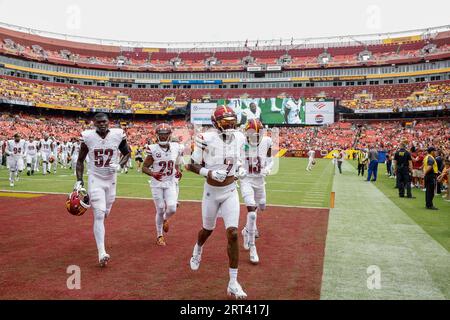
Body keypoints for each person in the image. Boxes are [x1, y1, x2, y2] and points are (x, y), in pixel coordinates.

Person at [186, 105, 248, 299]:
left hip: (230, 190)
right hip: (212, 191)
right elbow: (190, 165)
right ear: (216, 123)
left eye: (232, 122)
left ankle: (233, 282)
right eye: (226, 123)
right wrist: (209, 172)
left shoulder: (239, 137)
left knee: (233, 233)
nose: (230, 126)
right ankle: (198, 248)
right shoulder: (206, 138)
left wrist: (240, 168)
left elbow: (238, 159)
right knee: (207, 229)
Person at [74, 113, 131, 266]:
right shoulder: (88, 137)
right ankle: (101, 252)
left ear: (108, 122)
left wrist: (119, 165)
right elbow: (80, 161)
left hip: (111, 180)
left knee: (105, 213)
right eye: (98, 122)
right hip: (95, 178)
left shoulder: (118, 134)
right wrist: (79, 181)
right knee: (98, 215)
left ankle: (100, 233)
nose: (102, 124)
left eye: (104, 122)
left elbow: (128, 153)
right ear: (94, 123)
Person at [142, 123, 183, 246]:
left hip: (170, 182)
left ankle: (165, 218)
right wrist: (153, 174)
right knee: (160, 208)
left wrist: (177, 170)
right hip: (157, 184)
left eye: (165, 134)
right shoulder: (153, 149)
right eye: (161, 134)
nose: (163, 137)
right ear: (157, 135)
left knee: (172, 208)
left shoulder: (175, 147)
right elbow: (144, 167)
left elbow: (174, 162)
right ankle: (159, 235)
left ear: (169, 135)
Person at [240, 119, 273, 265]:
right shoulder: (241, 143)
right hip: (246, 180)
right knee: (252, 213)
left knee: (263, 206)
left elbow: (271, 159)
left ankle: (247, 230)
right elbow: (234, 160)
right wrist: (239, 169)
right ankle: (253, 246)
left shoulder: (267, 141)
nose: (255, 137)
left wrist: (268, 168)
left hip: (260, 181)